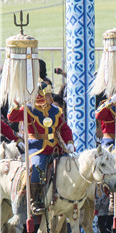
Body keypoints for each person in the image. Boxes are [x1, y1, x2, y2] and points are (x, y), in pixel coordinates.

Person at [7, 82, 74, 214]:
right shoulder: (29, 109)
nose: (50, 96)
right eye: (47, 94)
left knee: (69, 165)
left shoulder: (55, 110)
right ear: (40, 96)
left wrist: (69, 142)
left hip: (55, 147)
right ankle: (34, 200)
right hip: (37, 147)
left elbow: (64, 128)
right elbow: (11, 117)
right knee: (37, 168)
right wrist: (17, 103)